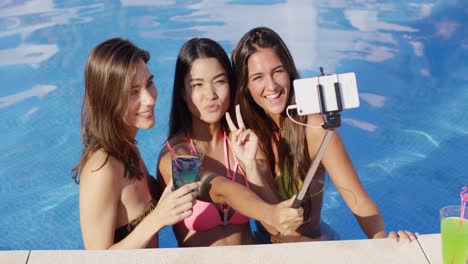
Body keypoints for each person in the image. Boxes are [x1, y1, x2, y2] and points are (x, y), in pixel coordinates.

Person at [231, 26, 417, 242]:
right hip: (267, 243)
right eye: (257, 77)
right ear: (245, 86)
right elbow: (273, 227)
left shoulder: (315, 128)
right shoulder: (244, 137)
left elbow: (357, 200)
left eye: (277, 71)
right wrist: (250, 165)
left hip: (315, 245)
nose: (271, 86)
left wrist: (383, 243)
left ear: (290, 72)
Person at [157, 37, 304, 247]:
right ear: (182, 92)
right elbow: (218, 189)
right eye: (197, 84)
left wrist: (250, 166)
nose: (211, 95)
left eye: (219, 81)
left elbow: (275, 228)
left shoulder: (246, 142)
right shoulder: (175, 155)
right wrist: (270, 212)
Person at [72, 37, 199, 249]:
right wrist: (158, 218)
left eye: (149, 83)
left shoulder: (128, 149)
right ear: (108, 100)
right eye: (133, 92)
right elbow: (96, 261)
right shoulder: (101, 170)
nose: (149, 99)